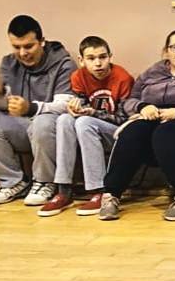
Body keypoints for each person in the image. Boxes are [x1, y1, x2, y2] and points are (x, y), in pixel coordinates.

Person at [98, 29, 175, 222]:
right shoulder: (151, 73)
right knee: (133, 131)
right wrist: (143, 106)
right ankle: (111, 194)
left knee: (166, 132)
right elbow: (129, 102)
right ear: (166, 51)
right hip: (156, 121)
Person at [0, 14, 75, 206]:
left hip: (50, 128)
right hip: (21, 126)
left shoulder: (64, 64)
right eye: (16, 47)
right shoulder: (9, 62)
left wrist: (31, 108)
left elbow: (65, 105)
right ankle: (12, 182)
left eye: (28, 46)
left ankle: (45, 182)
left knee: (44, 121)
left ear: (42, 42)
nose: (22, 53)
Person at [40, 36, 134, 217]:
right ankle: (64, 190)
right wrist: (75, 108)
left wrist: (92, 113)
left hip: (115, 133)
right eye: (91, 58)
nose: (98, 63)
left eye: (102, 57)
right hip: (88, 130)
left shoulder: (122, 78)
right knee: (64, 119)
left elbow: (123, 119)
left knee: (84, 122)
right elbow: (81, 108)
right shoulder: (78, 77)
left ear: (110, 57)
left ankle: (98, 190)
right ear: (82, 60)